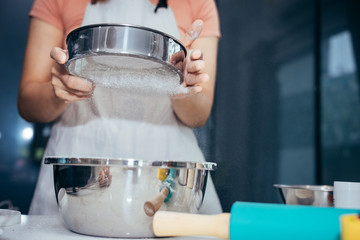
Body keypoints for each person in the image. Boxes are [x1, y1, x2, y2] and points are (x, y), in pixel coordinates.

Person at [18, 0, 222, 215]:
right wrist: (56, 92)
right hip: (78, 180)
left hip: (165, 178)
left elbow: (199, 115)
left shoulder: (197, 3)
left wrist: (180, 85)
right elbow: (28, 104)